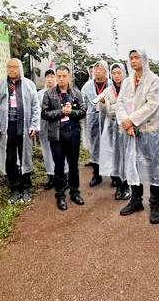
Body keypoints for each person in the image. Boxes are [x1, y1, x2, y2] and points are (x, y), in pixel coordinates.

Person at [116, 49, 159, 224]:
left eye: (136, 57)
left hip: (148, 130)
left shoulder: (154, 80)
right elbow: (119, 103)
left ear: (144, 59)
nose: (133, 61)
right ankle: (136, 201)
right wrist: (125, 123)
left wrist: (131, 121)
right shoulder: (128, 81)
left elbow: (152, 106)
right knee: (132, 164)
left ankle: (155, 204)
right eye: (131, 58)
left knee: (153, 165)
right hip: (130, 130)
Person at [0, 58, 40, 204]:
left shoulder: (29, 85)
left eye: (14, 67)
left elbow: (36, 107)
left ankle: (26, 188)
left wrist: (34, 125)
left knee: (25, 157)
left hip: (24, 128)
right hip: (7, 129)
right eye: (9, 67)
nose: (11, 70)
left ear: (20, 69)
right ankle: (14, 188)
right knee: (10, 159)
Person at [41, 65, 86, 210]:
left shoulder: (76, 93)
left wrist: (71, 112)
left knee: (73, 165)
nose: (61, 79)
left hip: (73, 133)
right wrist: (61, 112)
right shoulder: (49, 94)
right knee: (59, 166)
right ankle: (60, 195)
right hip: (57, 134)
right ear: (55, 77)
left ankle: (74, 192)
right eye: (58, 76)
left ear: (69, 76)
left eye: (64, 76)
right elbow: (45, 113)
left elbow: (83, 111)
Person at [99, 63, 131, 200]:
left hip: (125, 127)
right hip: (112, 129)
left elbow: (129, 107)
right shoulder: (107, 90)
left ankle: (127, 186)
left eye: (119, 73)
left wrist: (113, 107)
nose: (117, 76)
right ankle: (118, 186)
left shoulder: (129, 89)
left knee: (127, 157)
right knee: (116, 157)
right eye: (114, 73)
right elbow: (106, 111)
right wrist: (104, 104)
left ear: (124, 73)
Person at [81, 60, 111, 186]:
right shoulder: (87, 86)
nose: (97, 71)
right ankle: (96, 174)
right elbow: (83, 103)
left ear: (106, 71)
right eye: (95, 69)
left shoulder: (111, 84)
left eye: (100, 69)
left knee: (110, 145)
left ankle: (113, 175)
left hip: (108, 119)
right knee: (95, 147)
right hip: (92, 119)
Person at [37, 69, 68, 190]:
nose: (49, 79)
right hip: (44, 128)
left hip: (58, 127)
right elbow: (37, 111)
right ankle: (51, 177)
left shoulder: (61, 93)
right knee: (47, 152)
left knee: (61, 152)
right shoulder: (40, 94)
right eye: (47, 77)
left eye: (51, 77)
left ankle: (64, 176)